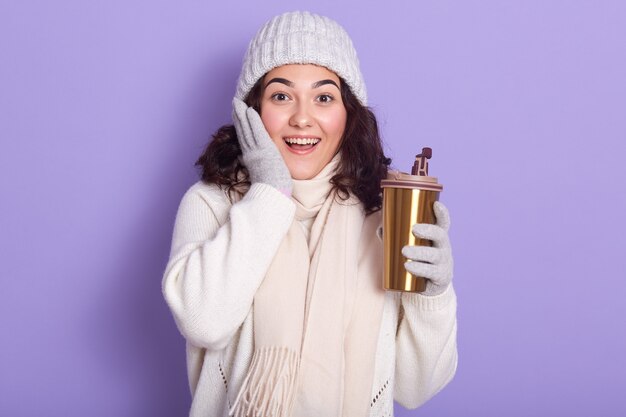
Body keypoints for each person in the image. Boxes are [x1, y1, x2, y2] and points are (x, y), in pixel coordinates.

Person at [162, 11, 457, 417]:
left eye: (324, 97)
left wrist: (434, 295)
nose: (302, 117)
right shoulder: (212, 204)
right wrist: (269, 192)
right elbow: (204, 321)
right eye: (281, 96)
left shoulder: (385, 215)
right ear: (252, 112)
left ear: (348, 113)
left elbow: (416, 388)